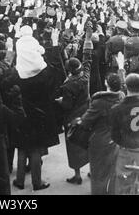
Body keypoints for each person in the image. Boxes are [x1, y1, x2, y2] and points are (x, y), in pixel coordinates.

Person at [13, 27, 61, 191]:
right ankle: (37, 182)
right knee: (35, 148)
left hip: (21, 112)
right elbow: (57, 70)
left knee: (21, 147)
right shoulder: (44, 72)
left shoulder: (16, 72)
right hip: (40, 113)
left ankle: (19, 181)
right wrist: (55, 44)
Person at [57, 27, 93, 185]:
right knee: (88, 142)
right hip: (87, 112)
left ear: (69, 70)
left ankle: (77, 175)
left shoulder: (68, 85)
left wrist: (59, 101)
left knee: (73, 145)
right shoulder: (85, 75)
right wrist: (88, 38)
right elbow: (87, 59)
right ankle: (92, 170)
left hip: (72, 117)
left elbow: (66, 104)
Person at [80, 73, 124, 194]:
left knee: (98, 173)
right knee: (112, 171)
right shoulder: (121, 97)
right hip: (116, 140)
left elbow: (85, 121)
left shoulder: (99, 102)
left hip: (99, 141)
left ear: (106, 83)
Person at [110, 73, 139, 195]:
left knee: (123, 186)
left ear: (126, 87)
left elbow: (114, 135)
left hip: (126, 151)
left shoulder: (117, 108)